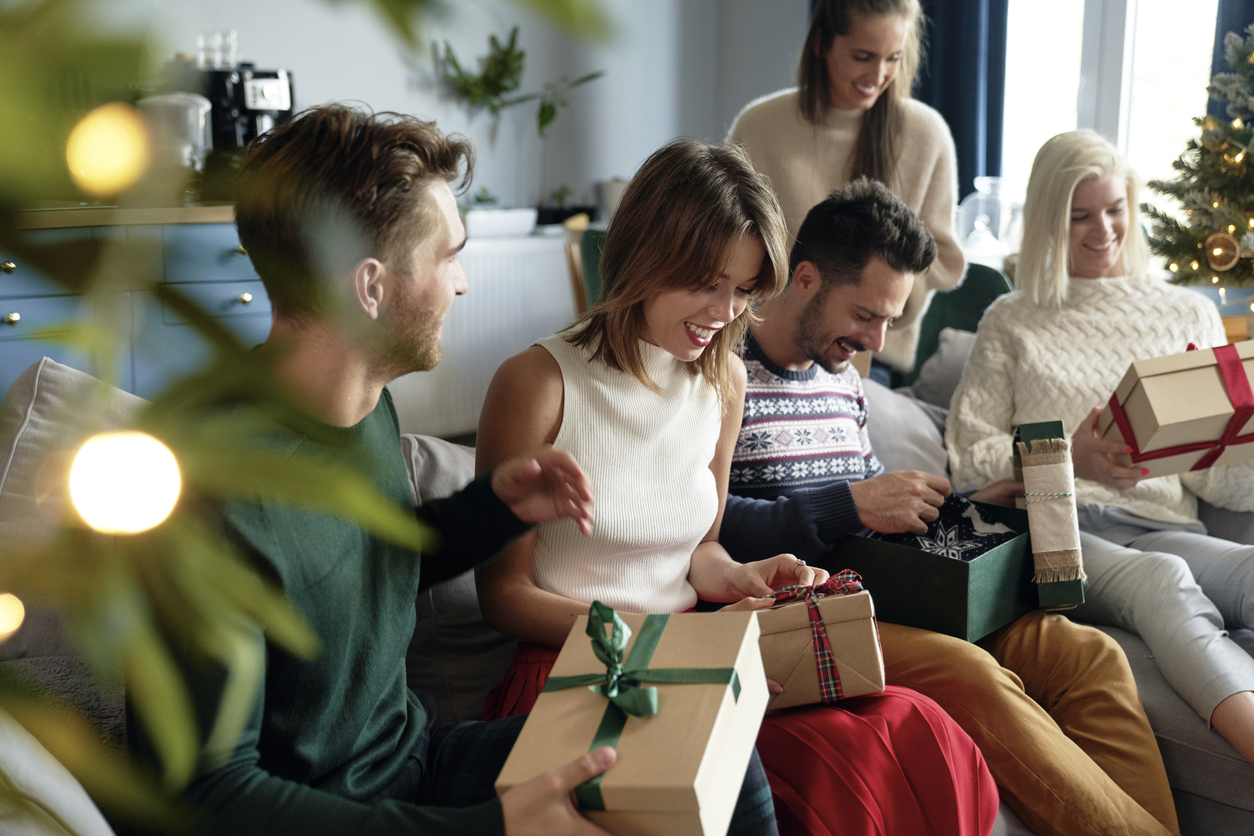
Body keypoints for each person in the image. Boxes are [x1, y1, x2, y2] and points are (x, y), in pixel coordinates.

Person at [126, 104, 777, 836]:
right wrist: (485, 828)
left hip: (419, 762)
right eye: (448, 256)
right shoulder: (201, 484)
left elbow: (359, 562)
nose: (462, 285)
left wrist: (489, 511)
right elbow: (208, 793)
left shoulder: (365, 407)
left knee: (714, 744)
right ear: (370, 287)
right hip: (332, 812)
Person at [474, 139, 999, 836]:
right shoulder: (536, 382)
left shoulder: (722, 384)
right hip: (578, 667)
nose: (726, 312)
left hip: (697, 647)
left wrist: (746, 574)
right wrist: (668, 641)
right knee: (821, 772)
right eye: (707, 283)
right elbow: (502, 597)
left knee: (912, 726)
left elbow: (700, 549)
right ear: (644, 255)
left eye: (746, 289)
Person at [721, 177, 1180, 836]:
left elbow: (876, 509)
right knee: (972, 674)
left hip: (892, 591)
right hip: (798, 610)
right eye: (865, 315)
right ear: (806, 278)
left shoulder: (844, 380)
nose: (877, 340)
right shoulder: (723, 371)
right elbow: (709, 524)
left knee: (1091, 655)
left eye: (890, 318)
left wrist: (966, 503)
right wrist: (850, 503)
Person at [946, 129, 1254, 771]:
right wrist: (1068, 459)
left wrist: (1224, 437)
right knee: (1163, 582)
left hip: (1164, 522)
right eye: (1079, 215)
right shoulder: (1013, 316)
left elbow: (1223, 488)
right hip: (1055, 531)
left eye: (1115, 210)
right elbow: (970, 458)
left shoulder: (1186, 314)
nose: (1103, 230)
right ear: (1049, 221)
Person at [728, 0, 963, 379]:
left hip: (870, 360)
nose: (878, 74)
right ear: (821, 43)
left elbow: (944, 262)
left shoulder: (926, 135)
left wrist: (877, 309)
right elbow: (728, 241)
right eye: (863, 56)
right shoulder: (760, 126)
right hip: (759, 346)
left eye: (893, 59)